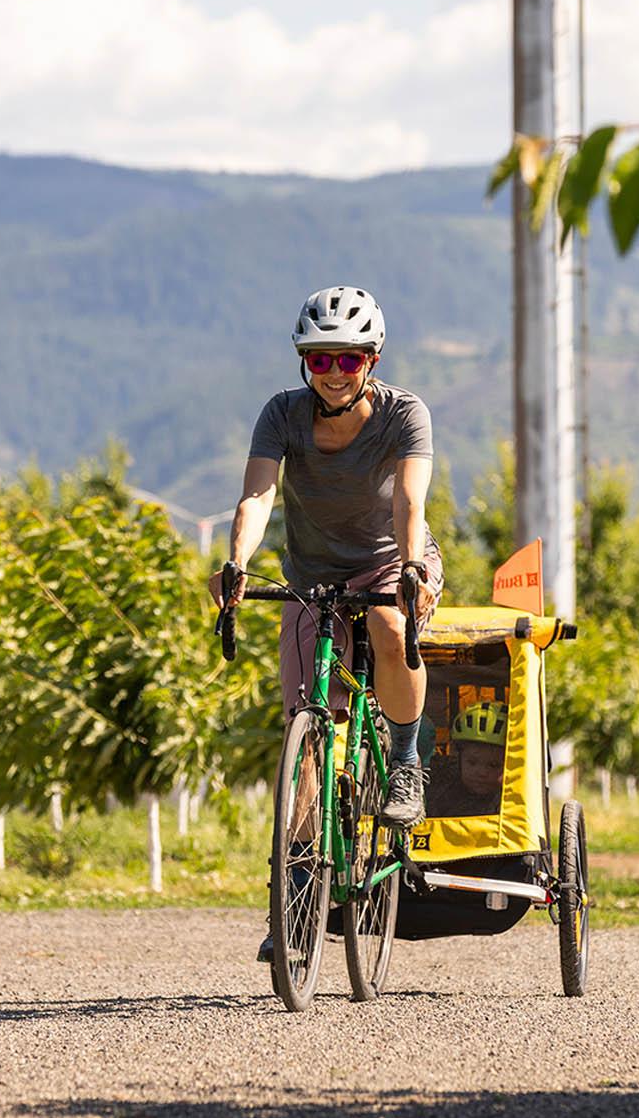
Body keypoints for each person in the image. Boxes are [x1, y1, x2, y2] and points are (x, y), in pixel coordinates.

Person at [212, 285, 443, 960]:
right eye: (320, 362)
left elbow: (409, 498)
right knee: (308, 736)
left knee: (391, 630)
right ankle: (299, 900)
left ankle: (404, 765)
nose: (334, 373)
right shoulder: (281, 416)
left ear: (370, 359)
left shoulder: (405, 413)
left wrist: (407, 571)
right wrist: (235, 564)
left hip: (389, 562)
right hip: (315, 578)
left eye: (347, 359)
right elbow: (257, 494)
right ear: (304, 366)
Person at [426, 700, 508, 818]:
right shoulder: (441, 793)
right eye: (472, 762)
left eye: (493, 765)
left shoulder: (511, 803)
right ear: (458, 758)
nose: (482, 772)